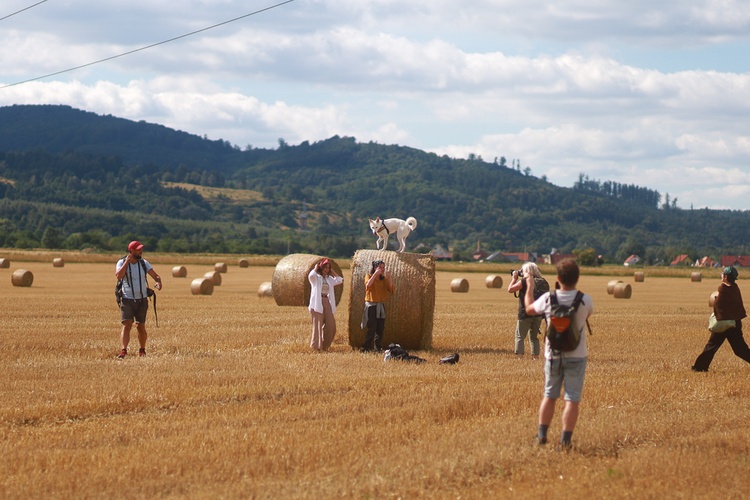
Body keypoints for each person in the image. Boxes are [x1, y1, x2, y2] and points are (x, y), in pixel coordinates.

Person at [524, 258, 593, 449]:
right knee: (572, 399)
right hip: (577, 356)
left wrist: (529, 285)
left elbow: (529, 309)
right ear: (577, 278)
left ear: (558, 278)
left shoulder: (548, 299)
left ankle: (541, 436)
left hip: (553, 356)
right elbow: (587, 315)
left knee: (549, 395)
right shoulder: (585, 300)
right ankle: (565, 441)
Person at [692, 266, 750, 372]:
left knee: (711, 346)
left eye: (723, 274)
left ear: (726, 277)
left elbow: (718, 304)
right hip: (735, 323)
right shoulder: (735, 288)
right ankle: (700, 367)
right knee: (740, 350)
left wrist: (716, 299)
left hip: (724, 323)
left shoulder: (723, 288)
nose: (721, 275)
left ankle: (699, 368)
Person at [115, 240, 162, 359]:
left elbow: (155, 275)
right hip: (127, 299)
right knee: (127, 325)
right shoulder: (121, 262)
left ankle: (142, 350)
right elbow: (119, 276)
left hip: (142, 300)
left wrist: (158, 282)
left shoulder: (144, 263)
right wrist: (126, 262)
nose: (140, 251)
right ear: (131, 251)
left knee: (140, 326)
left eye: (141, 249)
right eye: (138, 249)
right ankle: (123, 350)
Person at [507, 262, 549, 359]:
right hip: (538, 313)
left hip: (525, 313)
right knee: (534, 337)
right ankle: (535, 357)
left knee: (520, 336)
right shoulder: (543, 281)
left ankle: (520, 357)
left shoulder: (525, 281)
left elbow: (510, 289)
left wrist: (514, 278)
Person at [307, 258, 344, 352]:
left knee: (331, 327)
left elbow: (340, 280)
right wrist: (315, 268)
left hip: (327, 302)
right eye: (325, 267)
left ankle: (324, 346)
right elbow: (310, 276)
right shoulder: (316, 278)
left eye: (328, 267)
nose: (326, 269)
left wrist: (332, 272)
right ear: (321, 267)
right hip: (317, 303)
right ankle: (316, 347)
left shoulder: (329, 279)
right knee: (317, 327)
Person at [361, 259, 395, 352]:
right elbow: (368, 286)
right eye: (380, 267)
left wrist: (390, 278)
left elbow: (391, 289)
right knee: (371, 328)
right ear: (375, 267)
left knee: (380, 329)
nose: (382, 269)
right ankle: (366, 347)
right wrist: (375, 274)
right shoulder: (368, 276)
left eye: (383, 267)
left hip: (381, 306)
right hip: (371, 306)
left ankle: (378, 348)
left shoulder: (384, 280)